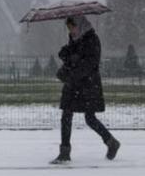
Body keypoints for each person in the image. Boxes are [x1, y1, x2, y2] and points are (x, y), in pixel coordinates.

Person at [50, 15, 120, 164]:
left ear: (80, 25)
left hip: (87, 85)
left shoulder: (92, 39)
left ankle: (111, 142)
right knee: (66, 115)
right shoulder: (74, 40)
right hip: (74, 84)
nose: (71, 30)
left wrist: (71, 72)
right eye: (69, 28)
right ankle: (64, 152)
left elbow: (89, 65)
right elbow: (73, 60)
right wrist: (65, 56)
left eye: (72, 27)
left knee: (89, 118)